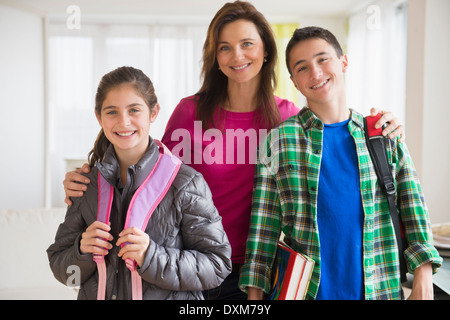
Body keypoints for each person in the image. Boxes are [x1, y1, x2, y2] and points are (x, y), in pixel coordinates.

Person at [61, 1, 405, 300]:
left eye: (247, 44)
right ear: (215, 56)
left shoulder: (287, 118)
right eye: (224, 47)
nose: (236, 56)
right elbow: (148, 171)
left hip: (258, 268)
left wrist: (384, 124)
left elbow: (339, 131)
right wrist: (92, 179)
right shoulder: (189, 112)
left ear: (265, 49)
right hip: (189, 263)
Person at [239, 26, 442, 300]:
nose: (316, 72)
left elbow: (413, 208)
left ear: (343, 62)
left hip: (379, 291)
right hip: (304, 293)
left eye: (323, 59)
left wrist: (423, 279)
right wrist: (254, 298)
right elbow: (263, 230)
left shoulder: (383, 133)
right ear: (294, 81)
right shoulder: (279, 141)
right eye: (302, 67)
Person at [47, 66, 231, 300]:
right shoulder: (87, 184)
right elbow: (61, 268)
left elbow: (217, 265)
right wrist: (82, 251)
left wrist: (151, 257)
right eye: (112, 112)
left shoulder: (186, 183)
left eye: (134, 110)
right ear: (98, 117)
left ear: (153, 112)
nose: (124, 122)